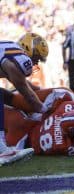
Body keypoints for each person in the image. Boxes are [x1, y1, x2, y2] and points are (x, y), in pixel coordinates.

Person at [0, 32, 48, 165]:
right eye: (37, 58)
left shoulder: (10, 48)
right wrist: (45, 110)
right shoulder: (21, 59)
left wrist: (40, 90)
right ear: (28, 49)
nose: (36, 63)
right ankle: (2, 149)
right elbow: (27, 93)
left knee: (3, 95)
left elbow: (23, 83)